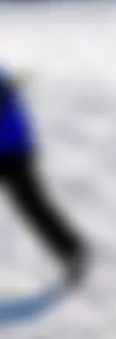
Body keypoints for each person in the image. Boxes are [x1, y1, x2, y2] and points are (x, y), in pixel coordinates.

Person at [0, 70, 86, 286]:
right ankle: (70, 250)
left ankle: (71, 251)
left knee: (32, 205)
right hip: (14, 147)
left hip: (12, 152)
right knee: (32, 205)